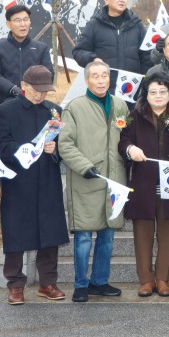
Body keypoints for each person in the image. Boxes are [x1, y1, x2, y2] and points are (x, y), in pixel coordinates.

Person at [0, 65, 69, 305]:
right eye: (37, 90)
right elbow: (0, 146)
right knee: (16, 229)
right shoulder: (6, 110)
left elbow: (63, 148)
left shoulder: (54, 111)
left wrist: (54, 150)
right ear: (24, 85)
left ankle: (48, 281)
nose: (40, 95)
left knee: (50, 229)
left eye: (45, 91)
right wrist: (23, 149)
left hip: (47, 178)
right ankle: (15, 284)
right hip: (18, 179)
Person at [58, 60, 128, 303]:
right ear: (86, 80)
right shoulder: (75, 108)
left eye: (104, 76)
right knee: (84, 236)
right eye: (95, 76)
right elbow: (65, 143)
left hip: (114, 178)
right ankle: (80, 284)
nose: (100, 80)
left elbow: (126, 137)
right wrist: (84, 166)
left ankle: (100, 281)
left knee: (108, 235)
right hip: (87, 178)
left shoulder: (120, 105)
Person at [118, 72, 169, 298]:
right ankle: (146, 279)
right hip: (143, 183)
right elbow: (123, 140)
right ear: (146, 93)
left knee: (167, 233)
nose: (158, 96)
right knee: (142, 233)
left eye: (163, 91)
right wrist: (130, 149)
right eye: (153, 92)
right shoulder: (134, 116)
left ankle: (163, 278)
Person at [72, 0, 151, 74]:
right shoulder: (94, 24)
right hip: (103, 84)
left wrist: (144, 80)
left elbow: (147, 55)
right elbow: (78, 51)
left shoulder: (136, 25)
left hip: (131, 85)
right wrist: (93, 59)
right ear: (106, 0)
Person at [0, 5, 54, 104]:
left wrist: (32, 91)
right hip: (5, 103)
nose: (23, 24)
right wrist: (15, 90)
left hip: (34, 102)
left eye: (26, 19)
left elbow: (49, 74)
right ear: (8, 24)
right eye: (17, 20)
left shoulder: (41, 48)